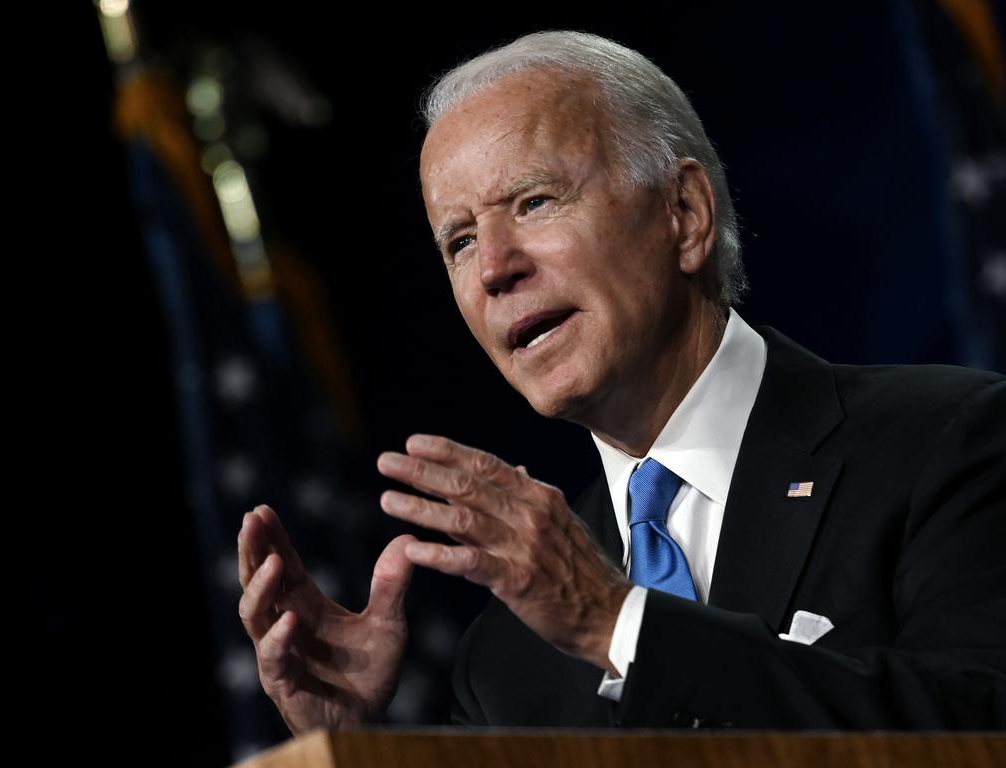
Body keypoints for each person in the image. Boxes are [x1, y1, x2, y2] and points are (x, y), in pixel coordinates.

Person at [237, 31, 1005, 732]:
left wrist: (618, 625)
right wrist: (355, 751)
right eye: (460, 241)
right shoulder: (508, 651)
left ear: (685, 212)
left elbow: (977, 723)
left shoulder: (947, 443)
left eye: (533, 203)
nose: (495, 269)